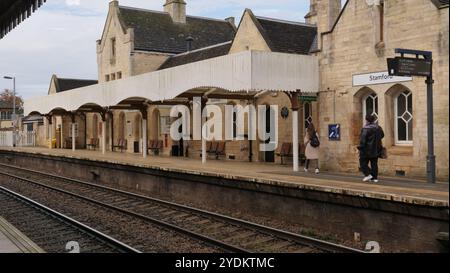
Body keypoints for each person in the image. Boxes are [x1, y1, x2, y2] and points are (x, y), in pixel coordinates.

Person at [358, 114, 385, 183]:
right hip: (376, 149)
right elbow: (382, 135)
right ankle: (375, 178)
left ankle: (368, 174)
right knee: (374, 164)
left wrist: (360, 148)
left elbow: (363, 140)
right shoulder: (378, 127)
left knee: (362, 163)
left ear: (366, 120)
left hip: (366, 150)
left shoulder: (365, 129)